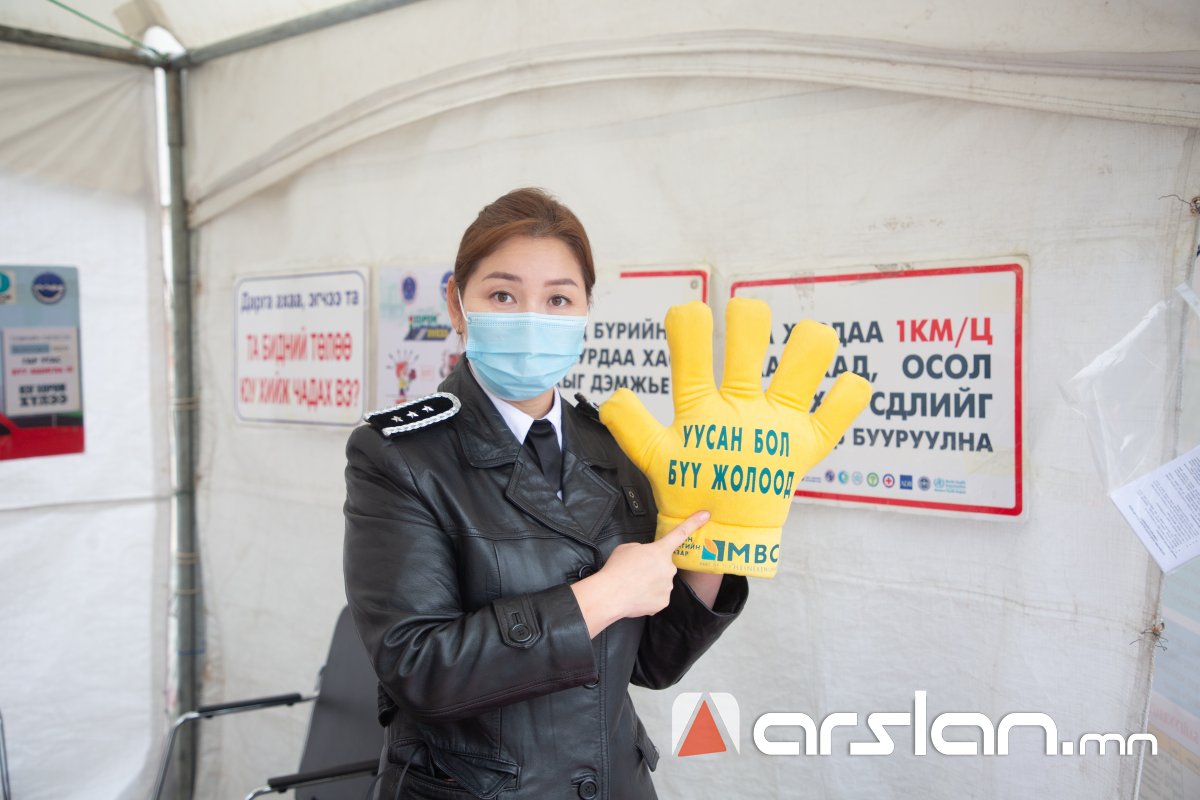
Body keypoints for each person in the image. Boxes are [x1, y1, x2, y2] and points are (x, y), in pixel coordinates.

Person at [343, 187, 749, 799]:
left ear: (585, 312)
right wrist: (603, 595)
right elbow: (419, 667)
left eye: (558, 298)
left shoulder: (616, 444)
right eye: (503, 295)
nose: (532, 318)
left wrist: (719, 532)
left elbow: (651, 663)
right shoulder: (399, 456)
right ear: (458, 304)